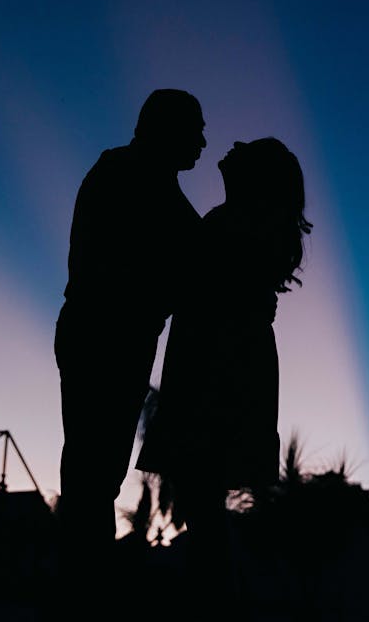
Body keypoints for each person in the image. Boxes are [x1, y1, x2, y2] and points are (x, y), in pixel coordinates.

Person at [136, 136, 312, 601]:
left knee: (203, 500)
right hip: (222, 363)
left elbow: (190, 281)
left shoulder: (235, 226)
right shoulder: (239, 225)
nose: (231, 144)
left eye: (245, 148)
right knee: (204, 502)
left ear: (254, 176)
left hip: (217, 369)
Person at [53, 89, 206, 586]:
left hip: (110, 338)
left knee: (93, 473)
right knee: (91, 475)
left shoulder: (141, 183)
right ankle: (82, 585)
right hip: (106, 340)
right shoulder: (131, 179)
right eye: (195, 129)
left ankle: (82, 582)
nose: (204, 142)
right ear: (168, 128)